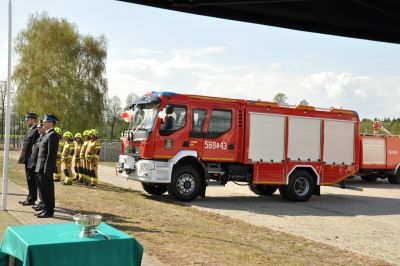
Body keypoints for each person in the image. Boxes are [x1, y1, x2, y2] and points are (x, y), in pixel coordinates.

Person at [35, 114, 59, 218]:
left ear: (50, 123)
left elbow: (51, 154)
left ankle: (49, 211)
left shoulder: (53, 135)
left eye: (45, 122)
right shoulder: (46, 134)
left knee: (47, 190)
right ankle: (45, 208)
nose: (43, 123)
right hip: (40, 166)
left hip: (45, 168)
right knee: (42, 189)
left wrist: (47, 168)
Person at [18, 113, 39, 206]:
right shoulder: (31, 130)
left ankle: (31, 199)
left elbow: (35, 147)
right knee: (29, 179)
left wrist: (32, 160)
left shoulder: (36, 130)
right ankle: (30, 198)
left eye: (27, 119)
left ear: (32, 120)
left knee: (32, 179)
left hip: (31, 160)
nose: (26, 121)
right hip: (27, 159)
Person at [27, 120, 46, 212]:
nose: (38, 129)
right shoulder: (40, 137)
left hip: (39, 165)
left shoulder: (45, 137)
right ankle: (41, 203)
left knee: (42, 186)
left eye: (40, 127)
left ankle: (44, 204)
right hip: (34, 163)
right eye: (38, 127)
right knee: (39, 185)